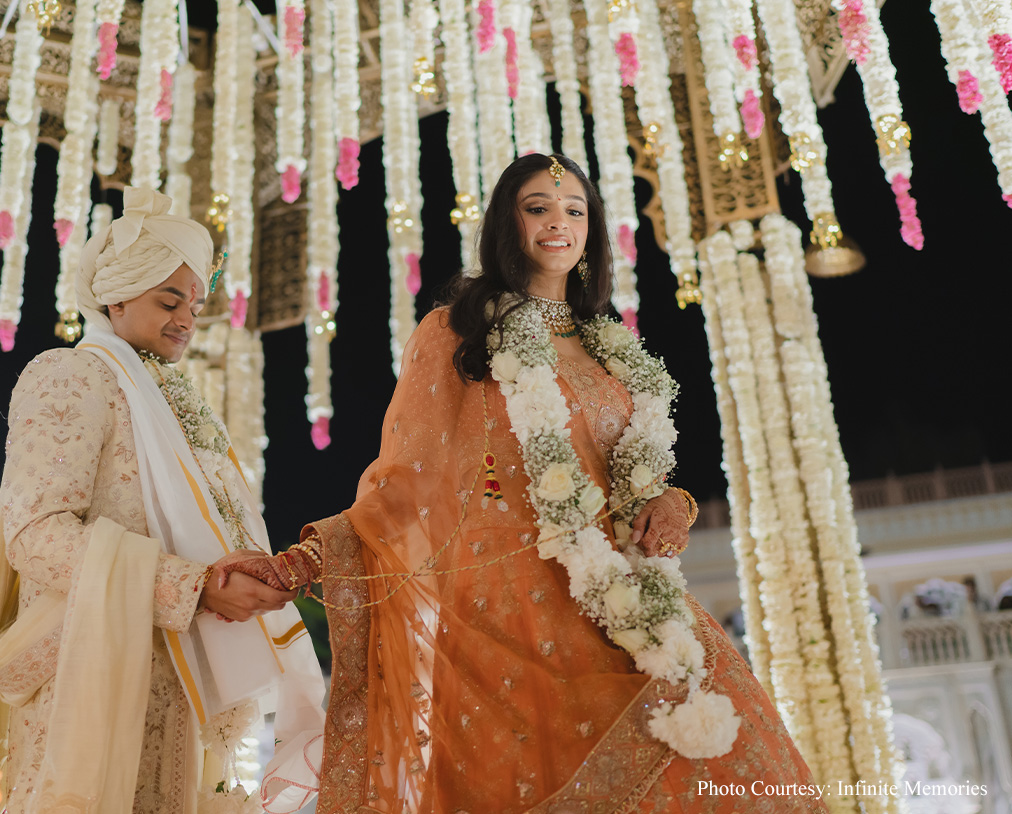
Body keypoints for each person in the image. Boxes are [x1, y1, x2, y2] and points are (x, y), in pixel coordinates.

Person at [232, 154, 829, 812]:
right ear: (505, 225)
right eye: (537, 207)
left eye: (575, 210)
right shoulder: (457, 332)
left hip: (626, 598)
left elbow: (633, 474)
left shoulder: (609, 347)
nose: (558, 224)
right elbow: (407, 480)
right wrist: (307, 559)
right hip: (508, 613)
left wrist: (673, 502)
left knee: (738, 761)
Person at [0, 189, 326, 814]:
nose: (185, 319)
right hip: (91, 674)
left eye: (196, 305)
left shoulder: (175, 398)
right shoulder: (69, 374)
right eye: (168, 300)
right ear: (114, 297)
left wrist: (239, 570)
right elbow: (35, 532)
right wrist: (193, 586)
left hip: (186, 675)